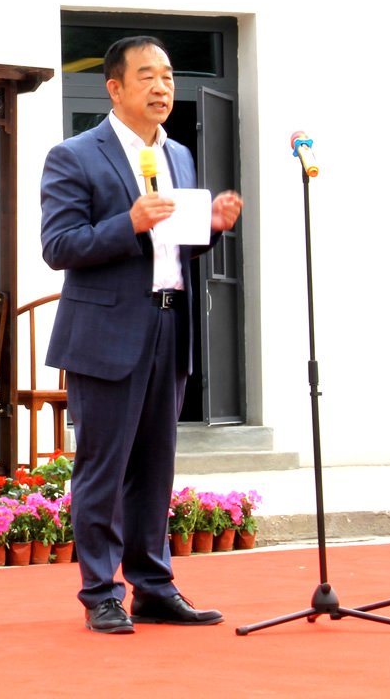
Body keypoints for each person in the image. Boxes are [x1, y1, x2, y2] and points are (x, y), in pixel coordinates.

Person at [39, 35, 244, 634]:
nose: (162, 88)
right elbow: (59, 246)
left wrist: (210, 227)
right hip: (105, 332)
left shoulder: (177, 154)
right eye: (148, 76)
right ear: (115, 88)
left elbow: (172, 243)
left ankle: (154, 587)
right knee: (103, 468)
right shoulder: (74, 155)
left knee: (155, 467)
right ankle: (101, 592)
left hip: (168, 322)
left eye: (169, 77)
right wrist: (126, 223)